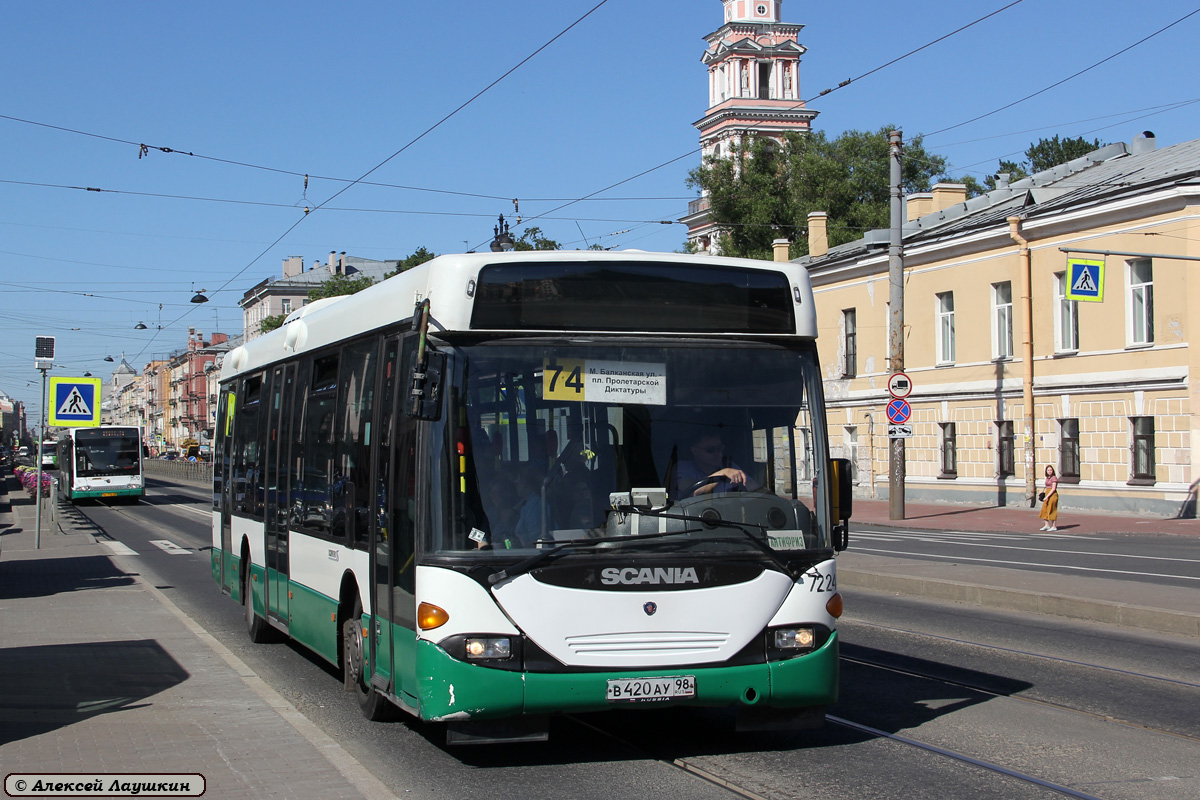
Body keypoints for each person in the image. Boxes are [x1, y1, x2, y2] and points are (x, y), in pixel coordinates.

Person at [675, 430, 757, 498]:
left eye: (720, 448)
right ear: (695, 451)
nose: (717, 453)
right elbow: (693, 492)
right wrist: (722, 473)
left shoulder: (728, 465)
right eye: (710, 450)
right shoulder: (683, 468)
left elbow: (755, 488)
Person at [1038, 465, 1060, 531]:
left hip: (1052, 495)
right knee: (1044, 509)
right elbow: (1046, 487)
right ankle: (1046, 525)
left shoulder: (1054, 478)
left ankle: (1054, 526)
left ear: (1053, 471)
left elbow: (1053, 489)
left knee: (1051, 509)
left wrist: (1047, 496)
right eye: (1048, 470)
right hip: (1047, 493)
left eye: (1051, 470)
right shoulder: (1048, 478)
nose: (1049, 471)